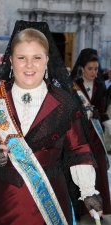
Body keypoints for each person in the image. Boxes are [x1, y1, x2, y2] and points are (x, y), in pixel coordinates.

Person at [0, 21, 103, 225]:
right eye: (22, 58)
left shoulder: (65, 103)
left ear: (47, 59)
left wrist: (88, 190)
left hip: (49, 203)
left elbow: (78, 149)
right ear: (11, 61)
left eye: (37, 58)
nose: (29, 65)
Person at [70, 48, 111, 218]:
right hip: (78, 135)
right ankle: (79, 209)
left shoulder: (100, 86)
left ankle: (100, 208)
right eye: (90, 69)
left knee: (99, 169)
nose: (94, 72)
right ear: (82, 68)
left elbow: (101, 112)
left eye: (96, 69)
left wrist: (106, 123)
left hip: (95, 135)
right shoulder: (73, 86)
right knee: (80, 169)